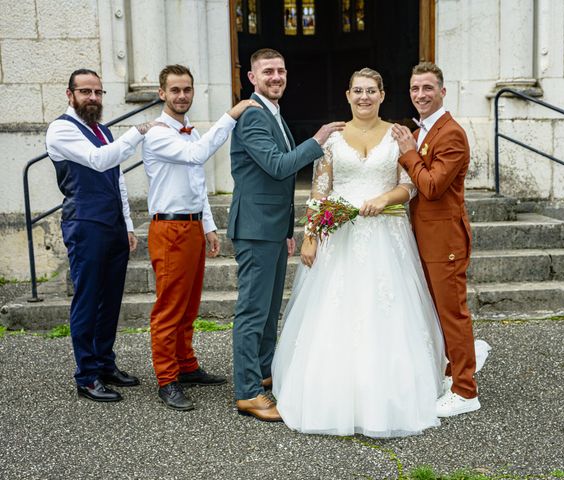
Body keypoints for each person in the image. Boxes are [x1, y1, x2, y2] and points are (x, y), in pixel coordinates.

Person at [271, 68, 447, 437]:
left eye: (371, 91)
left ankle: (388, 395)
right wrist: (311, 235)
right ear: (348, 95)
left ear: (383, 95)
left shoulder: (399, 135)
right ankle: (334, 394)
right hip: (340, 235)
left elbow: (409, 186)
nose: (364, 97)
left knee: (387, 311)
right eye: (358, 91)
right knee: (338, 311)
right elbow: (320, 190)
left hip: (387, 233)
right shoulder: (332, 138)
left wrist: (384, 199)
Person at [228, 48, 344, 422]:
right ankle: (247, 392)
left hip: (272, 228)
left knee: (268, 310)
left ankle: (263, 372)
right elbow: (279, 167)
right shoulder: (251, 116)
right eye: (268, 72)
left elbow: (277, 182)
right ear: (252, 78)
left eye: (280, 70)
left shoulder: (272, 112)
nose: (276, 77)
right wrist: (318, 140)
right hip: (254, 229)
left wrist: (288, 229)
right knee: (252, 311)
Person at [142, 64, 259, 411]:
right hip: (168, 229)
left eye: (187, 89)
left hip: (191, 226)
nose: (182, 96)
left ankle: (187, 364)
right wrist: (231, 115)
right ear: (162, 93)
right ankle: (167, 379)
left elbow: (197, 184)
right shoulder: (158, 133)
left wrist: (207, 225)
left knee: (190, 304)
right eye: (175, 90)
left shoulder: (189, 131)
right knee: (169, 307)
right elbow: (197, 155)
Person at [46, 68, 162, 402]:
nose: (93, 98)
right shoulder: (60, 130)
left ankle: (105, 363)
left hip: (111, 224)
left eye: (97, 92)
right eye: (85, 92)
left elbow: (117, 178)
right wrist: (138, 131)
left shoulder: (102, 129)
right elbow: (98, 161)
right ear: (70, 95)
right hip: (85, 223)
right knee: (88, 298)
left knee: (110, 299)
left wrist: (127, 224)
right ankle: (86, 375)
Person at [392, 62, 482, 417]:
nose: (420, 95)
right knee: (438, 313)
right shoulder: (424, 130)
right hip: (424, 237)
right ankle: (451, 374)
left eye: (427, 88)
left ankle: (465, 390)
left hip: (445, 240)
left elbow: (430, 186)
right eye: (415, 89)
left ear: (443, 91)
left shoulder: (451, 133)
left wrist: (407, 151)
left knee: (452, 314)